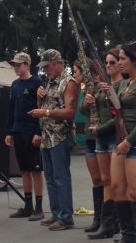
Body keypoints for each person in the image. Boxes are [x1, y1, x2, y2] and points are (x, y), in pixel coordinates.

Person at [28, 49, 79, 231]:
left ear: (58, 63)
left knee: (61, 177)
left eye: (47, 66)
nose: (45, 70)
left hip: (60, 136)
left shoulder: (69, 83)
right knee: (50, 177)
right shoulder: (49, 82)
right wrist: (38, 100)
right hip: (46, 136)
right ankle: (57, 213)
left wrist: (45, 112)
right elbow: (45, 107)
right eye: (43, 67)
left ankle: (66, 217)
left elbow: (70, 112)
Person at [85, 48, 122, 239]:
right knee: (105, 180)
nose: (108, 66)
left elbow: (118, 115)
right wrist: (88, 99)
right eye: (106, 63)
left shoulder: (123, 85)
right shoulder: (100, 85)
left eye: (112, 62)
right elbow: (85, 110)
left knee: (117, 183)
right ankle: (107, 223)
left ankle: (117, 222)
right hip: (100, 138)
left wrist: (98, 129)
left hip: (114, 136)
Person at [5, 52, 44, 221]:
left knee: (36, 170)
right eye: (14, 65)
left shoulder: (37, 82)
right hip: (18, 130)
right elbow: (11, 110)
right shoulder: (14, 84)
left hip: (31, 131)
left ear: (27, 65)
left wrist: (38, 132)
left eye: (19, 65)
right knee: (24, 170)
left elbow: (42, 108)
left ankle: (39, 208)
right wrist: (9, 131)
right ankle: (28, 206)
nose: (16, 68)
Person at [109, 42, 136, 243]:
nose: (119, 63)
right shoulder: (126, 83)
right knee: (117, 186)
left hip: (132, 141)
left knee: (134, 191)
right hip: (121, 140)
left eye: (122, 58)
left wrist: (129, 141)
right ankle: (128, 235)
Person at [77, 60, 103, 234]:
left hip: (102, 136)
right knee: (96, 180)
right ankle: (98, 218)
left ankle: (111, 218)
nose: (75, 75)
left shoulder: (102, 87)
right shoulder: (83, 89)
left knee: (107, 180)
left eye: (77, 72)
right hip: (89, 138)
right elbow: (82, 111)